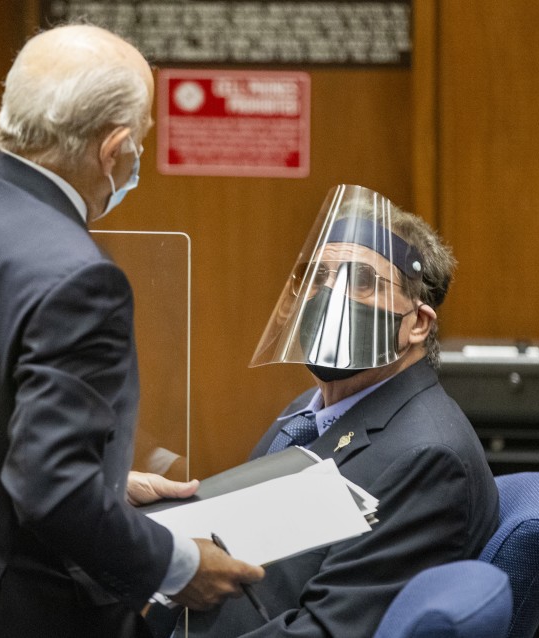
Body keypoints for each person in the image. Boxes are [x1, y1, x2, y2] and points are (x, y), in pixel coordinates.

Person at [0, 24, 262, 638]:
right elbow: (52, 494)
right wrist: (178, 564)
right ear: (113, 150)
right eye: (140, 141)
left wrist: (107, 483)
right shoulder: (80, 277)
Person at [181, 185, 499, 636]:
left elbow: (329, 629)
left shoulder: (428, 457)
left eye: (362, 281)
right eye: (319, 276)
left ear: (418, 324)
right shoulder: (303, 416)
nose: (329, 294)